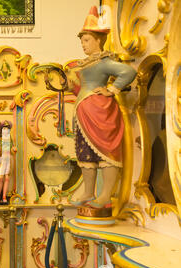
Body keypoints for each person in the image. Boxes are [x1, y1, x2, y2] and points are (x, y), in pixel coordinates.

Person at [68, 6, 137, 209]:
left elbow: (127, 72)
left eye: (87, 40)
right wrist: (73, 89)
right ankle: (89, 191)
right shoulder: (86, 64)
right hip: (83, 113)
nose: (83, 44)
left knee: (106, 153)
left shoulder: (104, 62)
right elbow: (86, 88)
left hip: (100, 113)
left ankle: (105, 194)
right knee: (85, 153)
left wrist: (112, 89)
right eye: (81, 41)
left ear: (99, 40)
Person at [0, 120, 17, 203]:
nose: (5, 131)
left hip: (8, 160)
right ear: (1, 130)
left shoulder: (10, 141)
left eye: (7, 129)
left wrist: (14, 149)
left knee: (7, 178)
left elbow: (12, 149)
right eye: (4, 129)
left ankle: (4, 196)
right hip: (1, 160)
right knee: (0, 178)